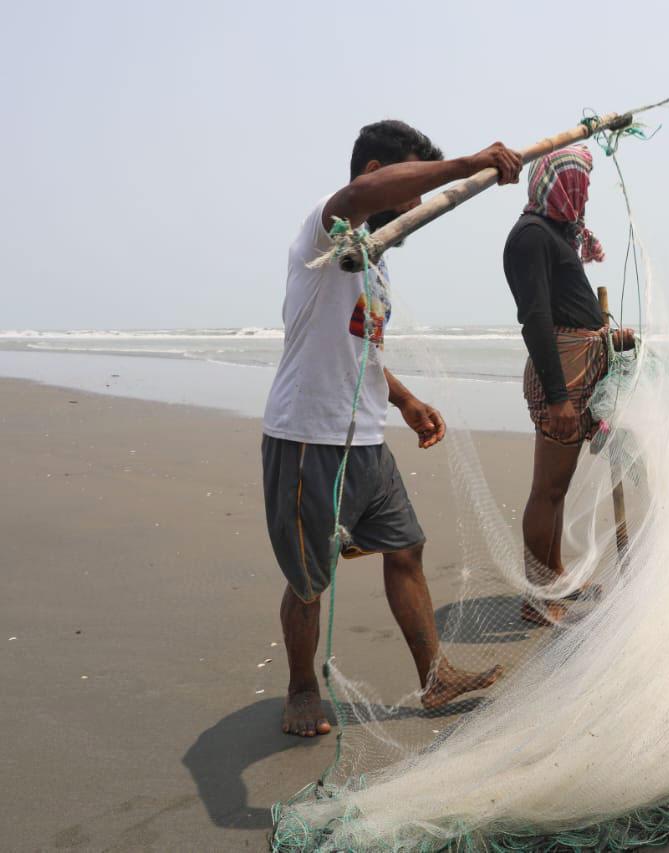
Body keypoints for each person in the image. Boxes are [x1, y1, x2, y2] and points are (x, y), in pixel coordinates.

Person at [262, 120, 523, 736]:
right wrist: (465, 166)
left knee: (405, 547)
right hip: (307, 438)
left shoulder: (372, 264)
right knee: (309, 579)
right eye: (408, 187)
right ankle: (301, 691)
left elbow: (361, 350)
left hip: (366, 438)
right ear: (375, 173)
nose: (416, 206)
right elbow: (355, 199)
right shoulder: (324, 230)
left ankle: (435, 677)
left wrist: (403, 400)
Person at [502, 145, 634, 625]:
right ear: (561, 184)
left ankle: (554, 577)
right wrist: (558, 396)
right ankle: (537, 596)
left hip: (581, 366)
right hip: (562, 373)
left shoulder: (557, 233)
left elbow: (570, 306)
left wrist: (609, 338)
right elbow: (536, 318)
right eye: (581, 182)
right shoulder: (530, 237)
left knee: (559, 486)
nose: (586, 191)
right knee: (548, 489)